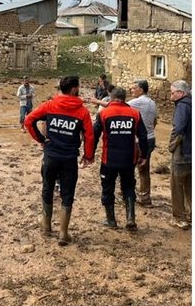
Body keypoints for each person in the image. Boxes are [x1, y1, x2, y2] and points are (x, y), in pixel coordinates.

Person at [24, 75, 94, 246]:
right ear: (74, 89)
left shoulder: (50, 105)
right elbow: (89, 135)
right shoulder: (82, 111)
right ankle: (63, 233)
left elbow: (28, 120)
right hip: (69, 158)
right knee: (67, 194)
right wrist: (88, 156)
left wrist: (40, 139)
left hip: (51, 156)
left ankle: (46, 227)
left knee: (47, 188)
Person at [92, 87, 148, 230]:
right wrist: (144, 156)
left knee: (108, 188)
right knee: (129, 187)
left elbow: (95, 135)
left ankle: (111, 220)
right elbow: (143, 136)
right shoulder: (135, 114)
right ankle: (130, 218)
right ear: (125, 98)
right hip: (129, 159)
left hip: (109, 159)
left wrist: (89, 154)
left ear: (111, 97)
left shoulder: (104, 113)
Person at [127, 79, 157, 206]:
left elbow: (117, 105)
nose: (131, 90)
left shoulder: (137, 102)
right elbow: (155, 121)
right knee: (144, 169)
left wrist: (97, 101)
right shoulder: (152, 103)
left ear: (140, 89)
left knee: (129, 168)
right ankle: (145, 198)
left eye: (134, 88)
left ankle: (129, 195)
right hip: (150, 138)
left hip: (139, 141)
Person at [168, 80, 191, 230]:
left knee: (177, 185)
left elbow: (179, 128)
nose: (170, 96)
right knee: (190, 185)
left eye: (172, 93)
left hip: (182, 153)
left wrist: (171, 145)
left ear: (181, 93)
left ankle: (179, 218)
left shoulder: (182, 106)